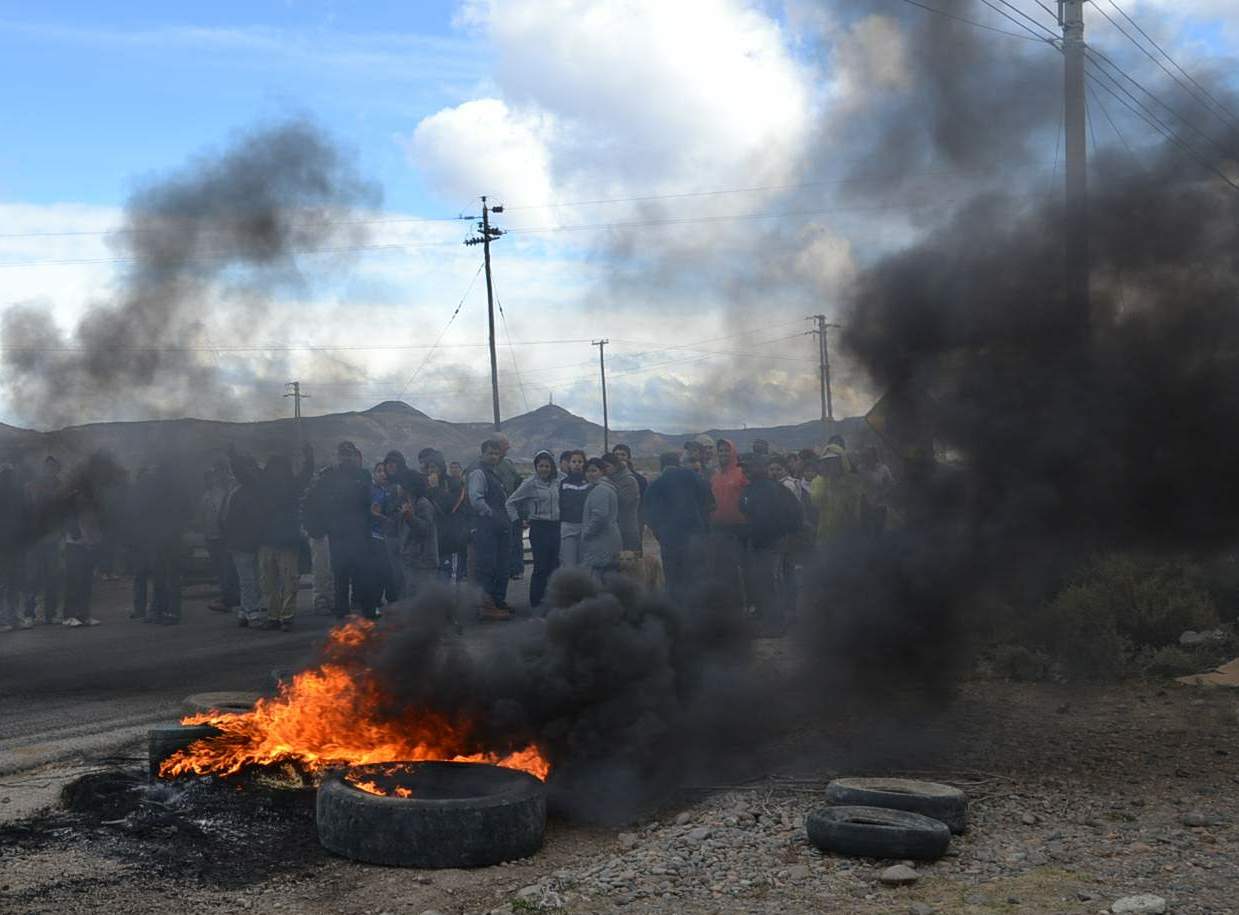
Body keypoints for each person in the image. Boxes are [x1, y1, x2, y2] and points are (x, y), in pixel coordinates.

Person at [304, 441, 373, 619]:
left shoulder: (364, 475)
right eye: (343, 454)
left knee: (360, 572)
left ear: (354, 456)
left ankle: (360, 607)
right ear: (339, 456)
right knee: (340, 573)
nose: (347, 458)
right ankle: (341, 610)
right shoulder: (330, 476)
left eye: (349, 454)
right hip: (337, 533)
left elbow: (368, 504)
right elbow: (318, 501)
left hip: (359, 532)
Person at [738, 454, 803, 632]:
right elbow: (744, 510)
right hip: (759, 542)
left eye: (748, 467)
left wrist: (785, 533)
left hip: (772, 542)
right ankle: (769, 616)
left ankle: (776, 623)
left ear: (760, 468)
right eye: (743, 468)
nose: (745, 470)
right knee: (764, 580)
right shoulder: (751, 489)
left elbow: (796, 513)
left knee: (770, 581)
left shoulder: (774, 489)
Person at [643, 452, 714, 599]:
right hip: (695, 537)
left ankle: (676, 614)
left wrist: (660, 534)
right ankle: (698, 614)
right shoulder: (693, 477)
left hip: (670, 539)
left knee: (673, 580)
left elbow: (649, 515)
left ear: (662, 465)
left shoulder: (656, 484)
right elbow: (711, 504)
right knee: (695, 578)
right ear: (678, 463)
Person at [258, 448, 313, 631]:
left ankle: (285, 616)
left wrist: (309, 458)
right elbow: (245, 476)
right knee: (270, 583)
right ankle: (275, 616)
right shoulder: (265, 486)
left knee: (287, 581)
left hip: (286, 541)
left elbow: (305, 475)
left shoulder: (291, 487)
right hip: (269, 541)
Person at [506, 450, 560, 612]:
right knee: (541, 567)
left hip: (557, 527)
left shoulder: (559, 480)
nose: (544, 469)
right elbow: (510, 502)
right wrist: (516, 520)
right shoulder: (529, 483)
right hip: (539, 528)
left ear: (552, 467)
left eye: (547, 466)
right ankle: (536, 603)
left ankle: (553, 601)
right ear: (536, 467)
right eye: (541, 466)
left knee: (555, 566)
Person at [468, 439, 513, 619]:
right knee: (488, 567)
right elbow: (476, 500)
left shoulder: (494, 473)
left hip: (500, 528)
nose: (494, 456)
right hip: (487, 528)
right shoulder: (479, 473)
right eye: (490, 453)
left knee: (501, 566)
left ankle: (497, 602)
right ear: (483, 454)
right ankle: (486, 607)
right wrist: (492, 515)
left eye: (496, 453)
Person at [221, 453, 266, 627]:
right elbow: (227, 519)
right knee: (249, 580)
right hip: (243, 542)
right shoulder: (242, 492)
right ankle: (251, 612)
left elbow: (224, 519)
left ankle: (245, 610)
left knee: (249, 579)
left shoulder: (239, 492)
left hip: (246, 542)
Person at [707, 438, 749, 600]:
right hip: (718, 528)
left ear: (733, 453)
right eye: (721, 450)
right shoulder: (716, 476)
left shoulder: (741, 474)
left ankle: (742, 601)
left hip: (738, 528)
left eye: (727, 450)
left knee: (739, 567)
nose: (723, 453)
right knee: (721, 567)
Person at [25, 456, 64, 625]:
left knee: (52, 578)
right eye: (48, 467)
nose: (50, 470)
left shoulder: (61, 486)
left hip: (53, 539)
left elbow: (65, 513)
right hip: (35, 539)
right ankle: (29, 614)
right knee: (32, 578)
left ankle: (50, 614)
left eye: (53, 467)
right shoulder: (33, 486)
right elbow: (26, 510)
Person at [422, 451, 468, 584]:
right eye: (429, 467)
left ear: (441, 467)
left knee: (451, 578)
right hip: (433, 539)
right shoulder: (424, 485)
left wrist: (436, 489)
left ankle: (453, 603)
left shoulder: (453, 483)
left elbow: (449, 507)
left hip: (451, 539)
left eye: (434, 467)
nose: (432, 470)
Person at [200, 467, 239, 613]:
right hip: (211, 537)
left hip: (222, 537)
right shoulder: (206, 496)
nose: (210, 480)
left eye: (212, 477)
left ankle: (229, 597)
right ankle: (227, 594)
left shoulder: (224, 493)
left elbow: (223, 516)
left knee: (226, 569)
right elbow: (203, 517)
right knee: (220, 569)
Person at [811, 446, 862, 546]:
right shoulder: (819, 481)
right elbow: (816, 501)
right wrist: (825, 481)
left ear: (842, 462)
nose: (830, 465)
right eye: (827, 462)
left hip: (848, 534)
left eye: (834, 461)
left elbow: (856, 505)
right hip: (825, 534)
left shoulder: (852, 481)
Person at [580, 457, 621, 581]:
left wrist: (586, 533)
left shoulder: (600, 490)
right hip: (607, 539)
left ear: (602, 472)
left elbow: (600, 517)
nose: (590, 474)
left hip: (601, 541)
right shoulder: (605, 487)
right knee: (609, 579)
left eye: (594, 470)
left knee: (599, 580)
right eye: (587, 471)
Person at [492, 434, 525, 581]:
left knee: (516, 540)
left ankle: (516, 569)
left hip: (512, 509)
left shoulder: (509, 464)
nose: (509, 447)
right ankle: (503, 569)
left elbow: (519, 484)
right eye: (506, 444)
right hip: (497, 512)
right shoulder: (488, 466)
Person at [399, 477, 439, 597]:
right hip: (413, 559)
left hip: (423, 561)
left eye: (401, 485)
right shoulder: (409, 502)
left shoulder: (423, 504)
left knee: (423, 596)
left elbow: (425, 529)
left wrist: (409, 516)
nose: (398, 488)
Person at [0, 465, 27, 631]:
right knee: (5, 583)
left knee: (14, 582)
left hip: (15, 544)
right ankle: (4, 618)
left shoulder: (18, 496)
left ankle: (13, 617)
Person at [605, 452, 642, 553]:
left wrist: (608, 486)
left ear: (616, 466)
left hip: (627, 530)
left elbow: (624, 502)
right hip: (613, 530)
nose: (605, 469)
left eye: (607, 466)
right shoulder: (609, 479)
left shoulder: (629, 481)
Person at [558, 450, 589, 568]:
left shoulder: (589, 483)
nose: (577, 464)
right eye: (574, 461)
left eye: (580, 461)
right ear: (569, 464)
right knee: (568, 564)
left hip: (585, 527)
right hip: (568, 527)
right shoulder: (563, 483)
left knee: (584, 564)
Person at [858, 445, 895, 537]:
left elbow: (891, 485)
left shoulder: (883, 469)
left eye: (868, 456)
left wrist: (882, 495)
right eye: (865, 456)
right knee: (865, 532)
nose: (866, 458)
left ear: (874, 457)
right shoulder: (860, 469)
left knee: (878, 532)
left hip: (880, 506)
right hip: (865, 505)